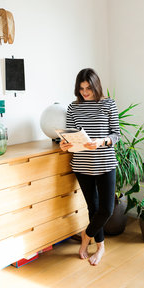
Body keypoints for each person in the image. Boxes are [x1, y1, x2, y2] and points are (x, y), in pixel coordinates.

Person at [59, 68, 120, 266]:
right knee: (92, 207)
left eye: (89, 88)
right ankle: (100, 246)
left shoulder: (108, 104)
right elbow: (69, 135)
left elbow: (116, 135)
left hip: (105, 163)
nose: (85, 92)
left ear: (96, 86)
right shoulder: (73, 108)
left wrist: (101, 141)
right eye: (81, 88)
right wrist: (64, 144)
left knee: (106, 209)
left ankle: (86, 236)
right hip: (82, 165)